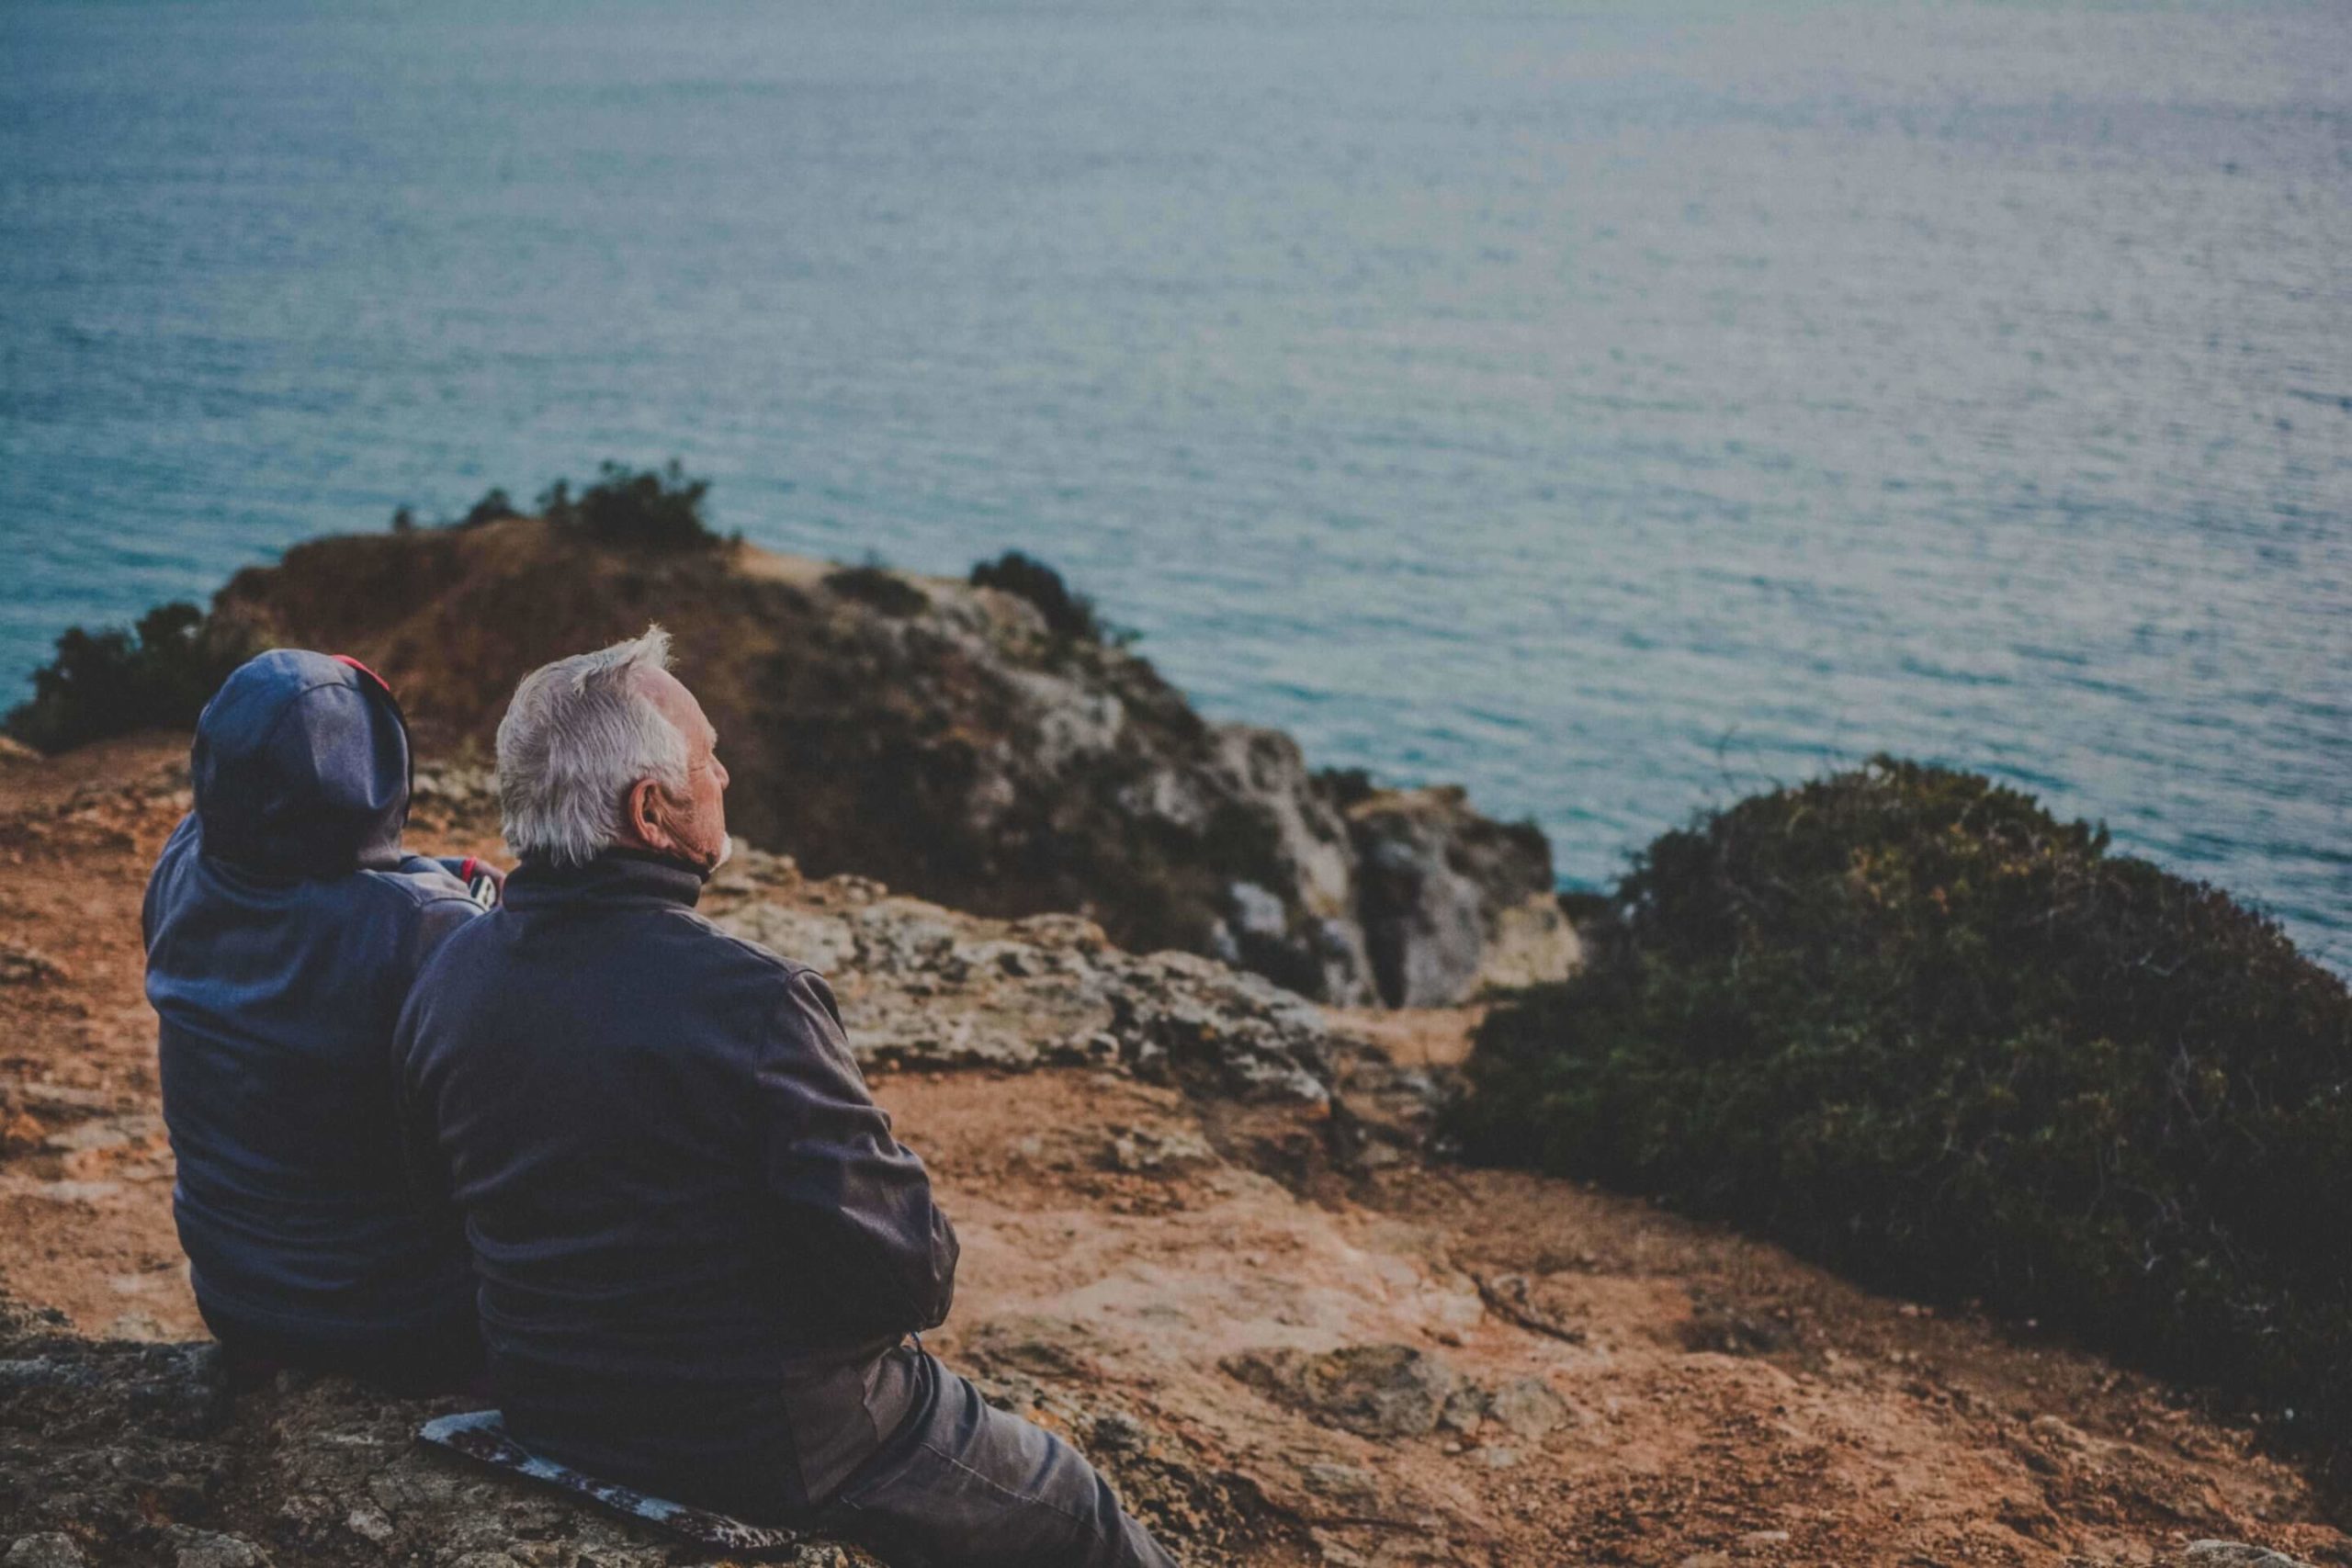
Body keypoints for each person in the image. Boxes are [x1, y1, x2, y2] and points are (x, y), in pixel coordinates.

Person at [393, 627, 1177, 1568]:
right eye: (709, 761)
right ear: (651, 810)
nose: (724, 776)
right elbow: (912, 1277)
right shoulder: (751, 1001)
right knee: (1079, 1510)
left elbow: (443, 1204)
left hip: (547, 1403)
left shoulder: (450, 973)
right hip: (775, 1442)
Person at [145, 649, 492, 1388]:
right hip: (399, 1320)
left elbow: (313, 875)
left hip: (234, 1297)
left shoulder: (182, 863)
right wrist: (471, 896)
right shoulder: (427, 930)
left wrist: (432, 872)